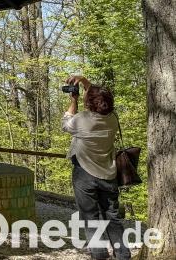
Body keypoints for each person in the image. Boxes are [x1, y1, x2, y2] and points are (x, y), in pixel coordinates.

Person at [62, 75, 130, 260]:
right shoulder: (113, 119)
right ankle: (122, 254)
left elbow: (65, 123)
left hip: (84, 173)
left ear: (90, 102)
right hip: (108, 174)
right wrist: (84, 81)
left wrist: (73, 101)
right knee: (112, 216)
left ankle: (99, 254)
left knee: (90, 216)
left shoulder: (82, 119)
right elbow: (99, 97)